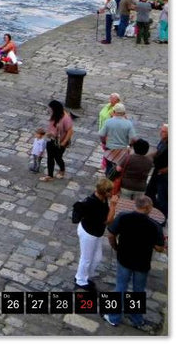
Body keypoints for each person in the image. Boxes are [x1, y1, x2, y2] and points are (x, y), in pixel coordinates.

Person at [103, 195, 166, 329]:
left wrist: (116, 247)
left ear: (135, 205)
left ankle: (114, 317)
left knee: (120, 288)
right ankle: (136, 319)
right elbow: (160, 248)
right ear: (148, 208)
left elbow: (111, 234)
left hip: (124, 258)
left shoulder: (123, 217)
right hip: (142, 263)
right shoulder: (155, 226)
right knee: (138, 291)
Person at [74, 177, 118, 290]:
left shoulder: (102, 199)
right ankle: (81, 279)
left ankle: (86, 275)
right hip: (89, 233)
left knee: (97, 257)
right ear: (105, 192)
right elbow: (108, 220)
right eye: (110, 191)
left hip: (96, 232)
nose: (112, 193)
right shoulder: (93, 203)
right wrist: (113, 206)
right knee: (86, 258)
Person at [40, 99, 74, 182]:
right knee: (50, 158)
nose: (49, 110)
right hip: (51, 139)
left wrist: (64, 142)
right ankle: (50, 175)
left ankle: (62, 169)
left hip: (60, 142)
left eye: (50, 108)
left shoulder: (66, 118)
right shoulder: (54, 115)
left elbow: (70, 131)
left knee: (58, 157)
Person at [99, 103, 136, 174]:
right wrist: (130, 145)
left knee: (109, 167)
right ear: (124, 113)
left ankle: (108, 180)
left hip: (110, 149)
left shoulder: (108, 122)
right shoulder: (128, 123)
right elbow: (133, 138)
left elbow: (101, 134)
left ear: (114, 112)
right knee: (119, 170)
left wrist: (104, 142)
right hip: (122, 150)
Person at [144, 124, 167, 221]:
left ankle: (161, 219)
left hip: (164, 175)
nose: (160, 133)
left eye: (163, 131)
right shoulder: (163, 140)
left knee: (162, 198)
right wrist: (146, 156)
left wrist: (166, 170)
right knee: (149, 192)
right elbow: (157, 151)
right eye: (161, 130)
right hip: (156, 170)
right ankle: (150, 213)